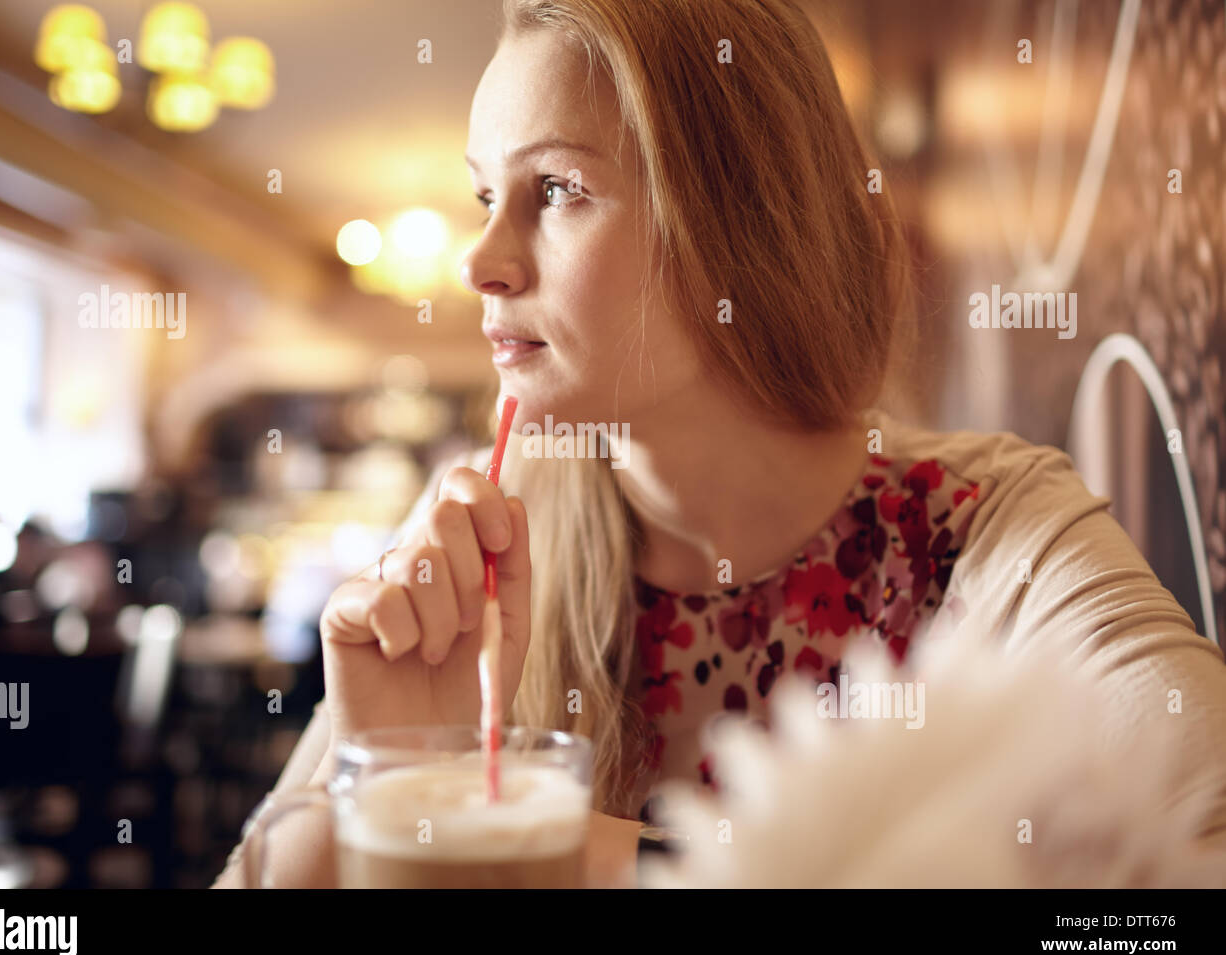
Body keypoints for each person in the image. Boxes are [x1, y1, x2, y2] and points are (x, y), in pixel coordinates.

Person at [214, 0, 1226, 888]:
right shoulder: (472, 532)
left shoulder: (993, 534)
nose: (480, 259)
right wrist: (379, 777)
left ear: (737, 223)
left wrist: (565, 850)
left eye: (557, 188)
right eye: (486, 195)